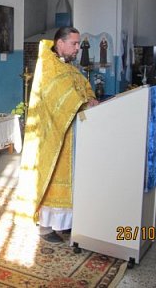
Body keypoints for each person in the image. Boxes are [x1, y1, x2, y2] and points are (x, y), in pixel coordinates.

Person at [14, 27, 98, 243]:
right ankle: (46, 226)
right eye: (74, 44)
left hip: (71, 132)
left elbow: (82, 85)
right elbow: (60, 95)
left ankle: (66, 223)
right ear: (60, 43)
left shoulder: (67, 67)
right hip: (53, 134)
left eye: (78, 44)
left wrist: (90, 98)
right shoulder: (49, 65)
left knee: (71, 177)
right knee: (53, 175)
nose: (78, 48)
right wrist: (82, 102)